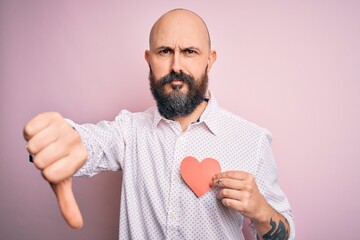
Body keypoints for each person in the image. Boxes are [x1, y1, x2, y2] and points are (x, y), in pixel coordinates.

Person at [24, 8, 295, 240]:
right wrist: (56, 141)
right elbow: (89, 143)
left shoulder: (252, 139)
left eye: (189, 51)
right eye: (165, 51)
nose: (176, 65)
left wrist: (261, 211)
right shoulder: (128, 131)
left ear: (209, 61)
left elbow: (286, 233)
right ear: (149, 59)